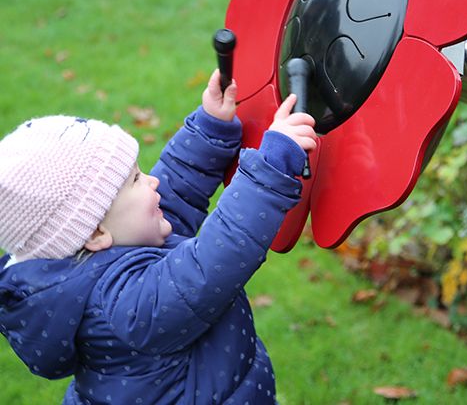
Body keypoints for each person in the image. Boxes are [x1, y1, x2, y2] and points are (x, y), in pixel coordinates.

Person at [0, 69, 317, 404]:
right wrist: (272, 165)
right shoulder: (125, 307)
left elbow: (173, 194)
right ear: (95, 232)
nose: (151, 182)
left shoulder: (111, 245)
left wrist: (210, 127)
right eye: (136, 179)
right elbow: (217, 258)